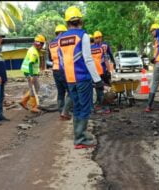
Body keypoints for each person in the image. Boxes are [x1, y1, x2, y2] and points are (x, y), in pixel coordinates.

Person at [57, 6, 103, 149]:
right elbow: (88, 60)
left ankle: (79, 134)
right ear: (80, 20)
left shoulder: (60, 39)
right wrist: (98, 80)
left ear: (67, 22)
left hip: (69, 79)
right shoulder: (82, 36)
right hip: (82, 78)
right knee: (85, 107)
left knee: (76, 107)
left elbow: (61, 61)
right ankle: (80, 138)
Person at [48, 24, 73, 120]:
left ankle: (61, 111)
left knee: (60, 92)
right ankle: (65, 112)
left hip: (55, 69)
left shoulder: (51, 43)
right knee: (71, 91)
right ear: (62, 32)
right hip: (64, 70)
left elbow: (50, 58)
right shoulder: (63, 41)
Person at [20, 34, 46, 113]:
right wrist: (31, 75)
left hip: (29, 72)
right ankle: (33, 106)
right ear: (39, 44)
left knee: (34, 87)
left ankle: (24, 101)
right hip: (30, 73)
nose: (41, 46)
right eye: (41, 45)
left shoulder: (32, 49)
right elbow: (31, 64)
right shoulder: (33, 52)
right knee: (35, 88)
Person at [91, 36, 111, 114]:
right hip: (100, 72)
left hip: (91, 72)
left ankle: (93, 108)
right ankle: (105, 107)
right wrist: (109, 71)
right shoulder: (100, 48)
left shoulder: (87, 49)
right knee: (100, 90)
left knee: (90, 91)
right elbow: (106, 60)